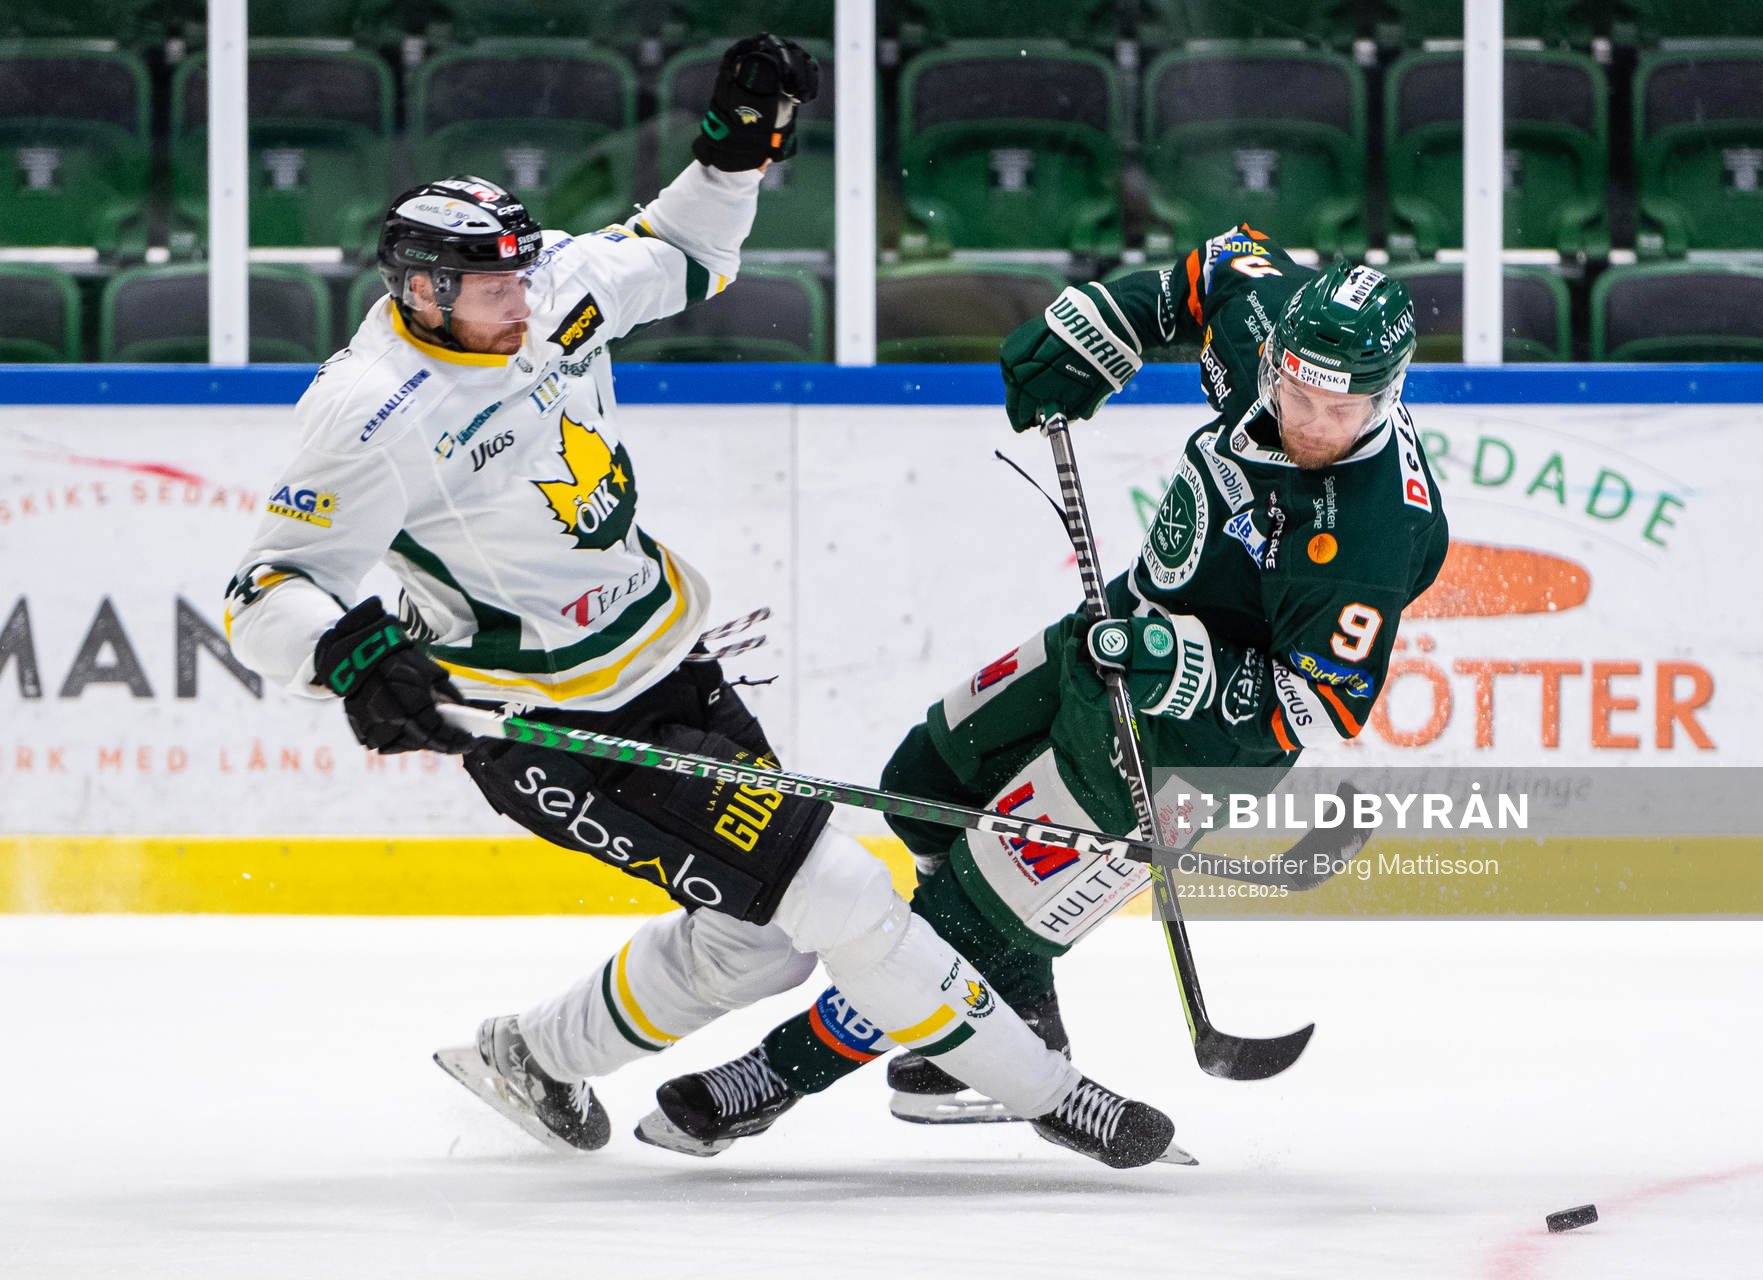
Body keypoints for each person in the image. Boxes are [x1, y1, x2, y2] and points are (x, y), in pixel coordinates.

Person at [221, 34, 1183, 1172]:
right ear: (422, 289)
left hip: (671, 671)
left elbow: (680, 247)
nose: (522, 294)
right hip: (558, 728)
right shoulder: (375, 410)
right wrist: (353, 653)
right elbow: (264, 586)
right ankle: (1053, 1093)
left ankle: (529, 1056)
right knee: (842, 891)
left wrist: (735, 153)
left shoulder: (553, 297)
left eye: (524, 269)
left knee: (759, 944)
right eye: (491, 281)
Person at [642, 228, 1450, 1147]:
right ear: (1273, 356)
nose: (1309, 422)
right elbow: (1219, 267)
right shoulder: (1266, 324)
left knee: (959, 927)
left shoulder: (1368, 533)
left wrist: (1178, 665)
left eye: (1338, 414)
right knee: (924, 792)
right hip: (1108, 644)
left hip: (1191, 747)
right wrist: (1096, 325)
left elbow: (1317, 705)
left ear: (1390, 393)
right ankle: (1005, 1025)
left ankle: (772, 1078)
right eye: (1296, 394)